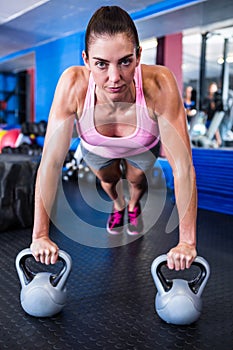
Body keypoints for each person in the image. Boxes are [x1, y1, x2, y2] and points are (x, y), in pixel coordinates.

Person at [30, 6, 197, 271]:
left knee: (135, 179)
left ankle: (133, 204)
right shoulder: (73, 84)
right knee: (108, 180)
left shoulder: (160, 84)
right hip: (97, 145)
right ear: (86, 59)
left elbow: (183, 168)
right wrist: (40, 235)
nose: (114, 78)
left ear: (138, 55)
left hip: (142, 143)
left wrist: (187, 241)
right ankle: (119, 204)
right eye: (101, 64)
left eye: (125, 62)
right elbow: (50, 163)